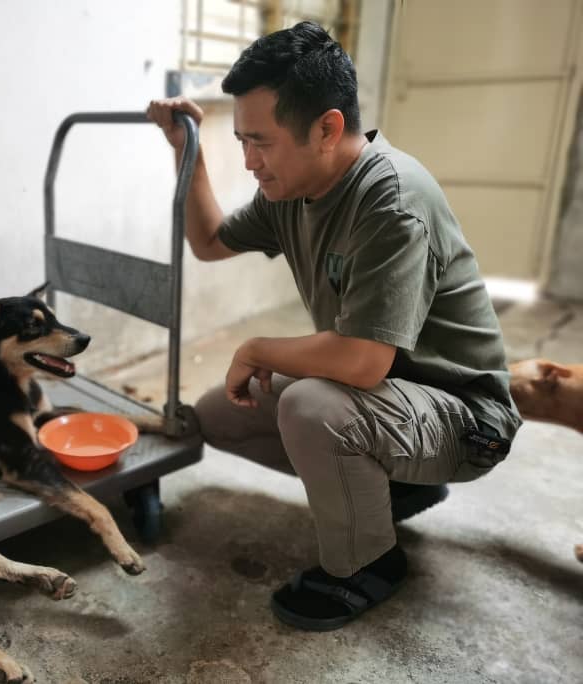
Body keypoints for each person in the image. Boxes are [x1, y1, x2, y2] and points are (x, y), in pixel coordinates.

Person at [146, 21, 521, 631]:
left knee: (313, 407)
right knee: (219, 414)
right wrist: (184, 149)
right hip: (390, 398)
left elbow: (362, 362)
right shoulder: (296, 186)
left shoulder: (391, 201)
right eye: (241, 141)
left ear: (327, 128)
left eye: (260, 142)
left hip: (464, 418)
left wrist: (258, 345)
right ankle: (391, 492)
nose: (249, 162)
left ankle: (367, 565)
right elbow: (210, 241)